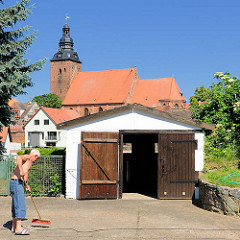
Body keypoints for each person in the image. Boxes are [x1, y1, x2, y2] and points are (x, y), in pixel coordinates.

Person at [10, 149, 40, 235]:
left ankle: (14, 226)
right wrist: (21, 170)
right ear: (34, 155)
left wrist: (27, 185)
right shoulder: (27, 157)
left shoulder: (29, 162)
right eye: (36, 159)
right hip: (16, 182)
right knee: (20, 205)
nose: (36, 160)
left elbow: (26, 174)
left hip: (18, 183)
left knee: (16, 205)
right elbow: (18, 157)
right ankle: (18, 229)